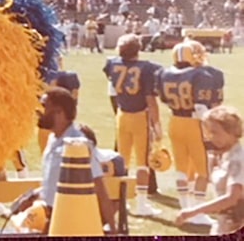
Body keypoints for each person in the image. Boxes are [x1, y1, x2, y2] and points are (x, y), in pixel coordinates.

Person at [16, 88, 116, 234]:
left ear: (59, 112)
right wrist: (34, 195)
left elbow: (99, 186)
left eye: (44, 106)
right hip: (49, 218)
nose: (38, 110)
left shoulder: (78, 144)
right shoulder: (52, 138)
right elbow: (56, 181)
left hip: (71, 220)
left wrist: (113, 229)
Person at [156, 41, 216, 226]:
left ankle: (185, 207)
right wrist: (209, 128)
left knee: (181, 167)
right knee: (203, 170)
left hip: (175, 122)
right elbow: (199, 106)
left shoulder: (164, 73)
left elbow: (164, 99)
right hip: (193, 123)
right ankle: (197, 212)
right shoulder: (199, 74)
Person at [102, 33, 162, 215]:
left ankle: (122, 201)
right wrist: (157, 124)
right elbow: (150, 100)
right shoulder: (146, 68)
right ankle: (142, 204)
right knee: (143, 162)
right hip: (139, 117)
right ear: (139, 49)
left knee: (122, 161)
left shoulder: (112, 63)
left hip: (122, 115)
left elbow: (112, 75)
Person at [175, 105, 244, 235]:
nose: (210, 137)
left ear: (231, 131)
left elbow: (232, 197)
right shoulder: (223, 154)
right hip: (225, 223)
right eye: (208, 132)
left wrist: (192, 211)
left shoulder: (237, 160)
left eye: (215, 132)